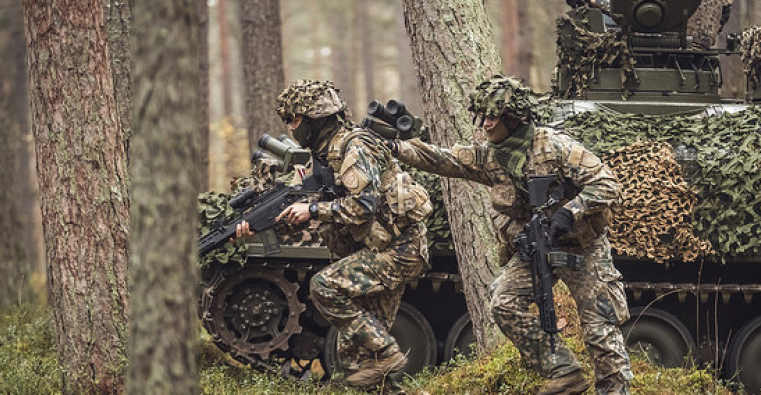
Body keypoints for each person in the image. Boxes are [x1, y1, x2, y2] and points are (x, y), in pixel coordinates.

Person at [386, 75, 633, 395]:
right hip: (535, 247)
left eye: (491, 118)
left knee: (600, 329)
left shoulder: (554, 145)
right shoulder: (490, 157)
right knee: (503, 302)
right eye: (482, 117)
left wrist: (569, 212)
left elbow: (607, 183)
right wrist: (396, 147)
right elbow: (442, 159)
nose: (485, 125)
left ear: (513, 119)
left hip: (581, 247)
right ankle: (564, 370)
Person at [234, 80, 432, 391]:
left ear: (315, 118)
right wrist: (260, 225)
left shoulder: (353, 146)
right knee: (352, 363)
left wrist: (312, 211)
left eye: (293, 119)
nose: (290, 127)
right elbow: (321, 206)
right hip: (380, 247)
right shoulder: (324, 155)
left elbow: (363, 207)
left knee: (323, 286)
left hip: (399, 249)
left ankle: (386, 350)